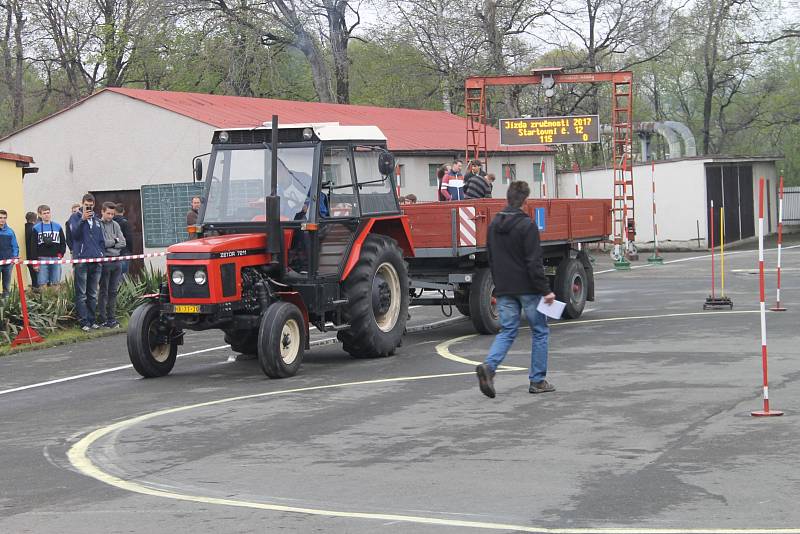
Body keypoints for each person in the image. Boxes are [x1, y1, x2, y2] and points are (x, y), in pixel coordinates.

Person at [475, 181, 557, 398]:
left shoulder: (493, 225)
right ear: (525, 202)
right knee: (540, 332)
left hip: (503, 288)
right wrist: (546, 290)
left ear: (507, 198)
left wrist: (499, 283)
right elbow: (534, 262)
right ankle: (537, 380)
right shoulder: (527, 225)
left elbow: (490, 257)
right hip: (528, 288)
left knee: (508, 331)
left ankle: (490, 367)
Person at [68, 193, 105, 331]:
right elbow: (74, 235)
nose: (88, 207)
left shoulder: (96, 220)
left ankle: (92, 319)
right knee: (81, 293)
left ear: (94, 205)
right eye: (86, 205)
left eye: (90, 205)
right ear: (82, 203)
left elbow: (101, 239)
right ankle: (83, 321)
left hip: (96, 260)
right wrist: (82, 219)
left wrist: (101, 254)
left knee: (93, 293)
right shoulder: (75, 217)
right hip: (82, 260)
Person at [97, 202, 126, 328]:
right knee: (104, 291)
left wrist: (112, 243)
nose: (110, 216)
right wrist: (115, 241)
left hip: (117, 260)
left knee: (113, 291)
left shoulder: (116, 224)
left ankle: (112, 319)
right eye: (108, 213)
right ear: (102, 212)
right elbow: (101, 243)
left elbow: (123, 242)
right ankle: (103, 319)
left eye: (112, 214)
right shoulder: (98, 225)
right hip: (105, 261)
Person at [31, 205, 67, 287]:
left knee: (56, 283)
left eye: (48, 213)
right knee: (42, 283)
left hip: (55, 258)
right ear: (40, 215)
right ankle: (44, 300)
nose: (47, 215)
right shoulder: (36, 228)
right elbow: (33, 247)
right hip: (42, 259)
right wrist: (35, 262)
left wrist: (61, 254)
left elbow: (63, 242)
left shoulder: (57, 227)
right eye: (44, 213)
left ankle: (55, 300)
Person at [0, 209, 20, 299]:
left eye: (4, 218)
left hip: (8, 263)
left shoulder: (10, 231)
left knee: (6, 285)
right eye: (0, 218)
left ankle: (6, 304)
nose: (2, 220)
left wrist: (15, 257)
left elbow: (15, 246)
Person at [113, 203, 134, 275]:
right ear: (123, 211)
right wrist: (130, 250)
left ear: (115, 211)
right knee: (124, 275)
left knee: (115, 275)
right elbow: (129, 238)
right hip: (125, 251)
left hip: (113, 252)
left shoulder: (111, 223)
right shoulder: (125, 223)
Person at [24, 212, 40, 290]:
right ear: (35, 219)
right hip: (34, 256)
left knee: (33, 276)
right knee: (37, 279)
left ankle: (34, 290)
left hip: (26, 255)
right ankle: (36, 292)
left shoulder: (23, 228)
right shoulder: (34, 229)